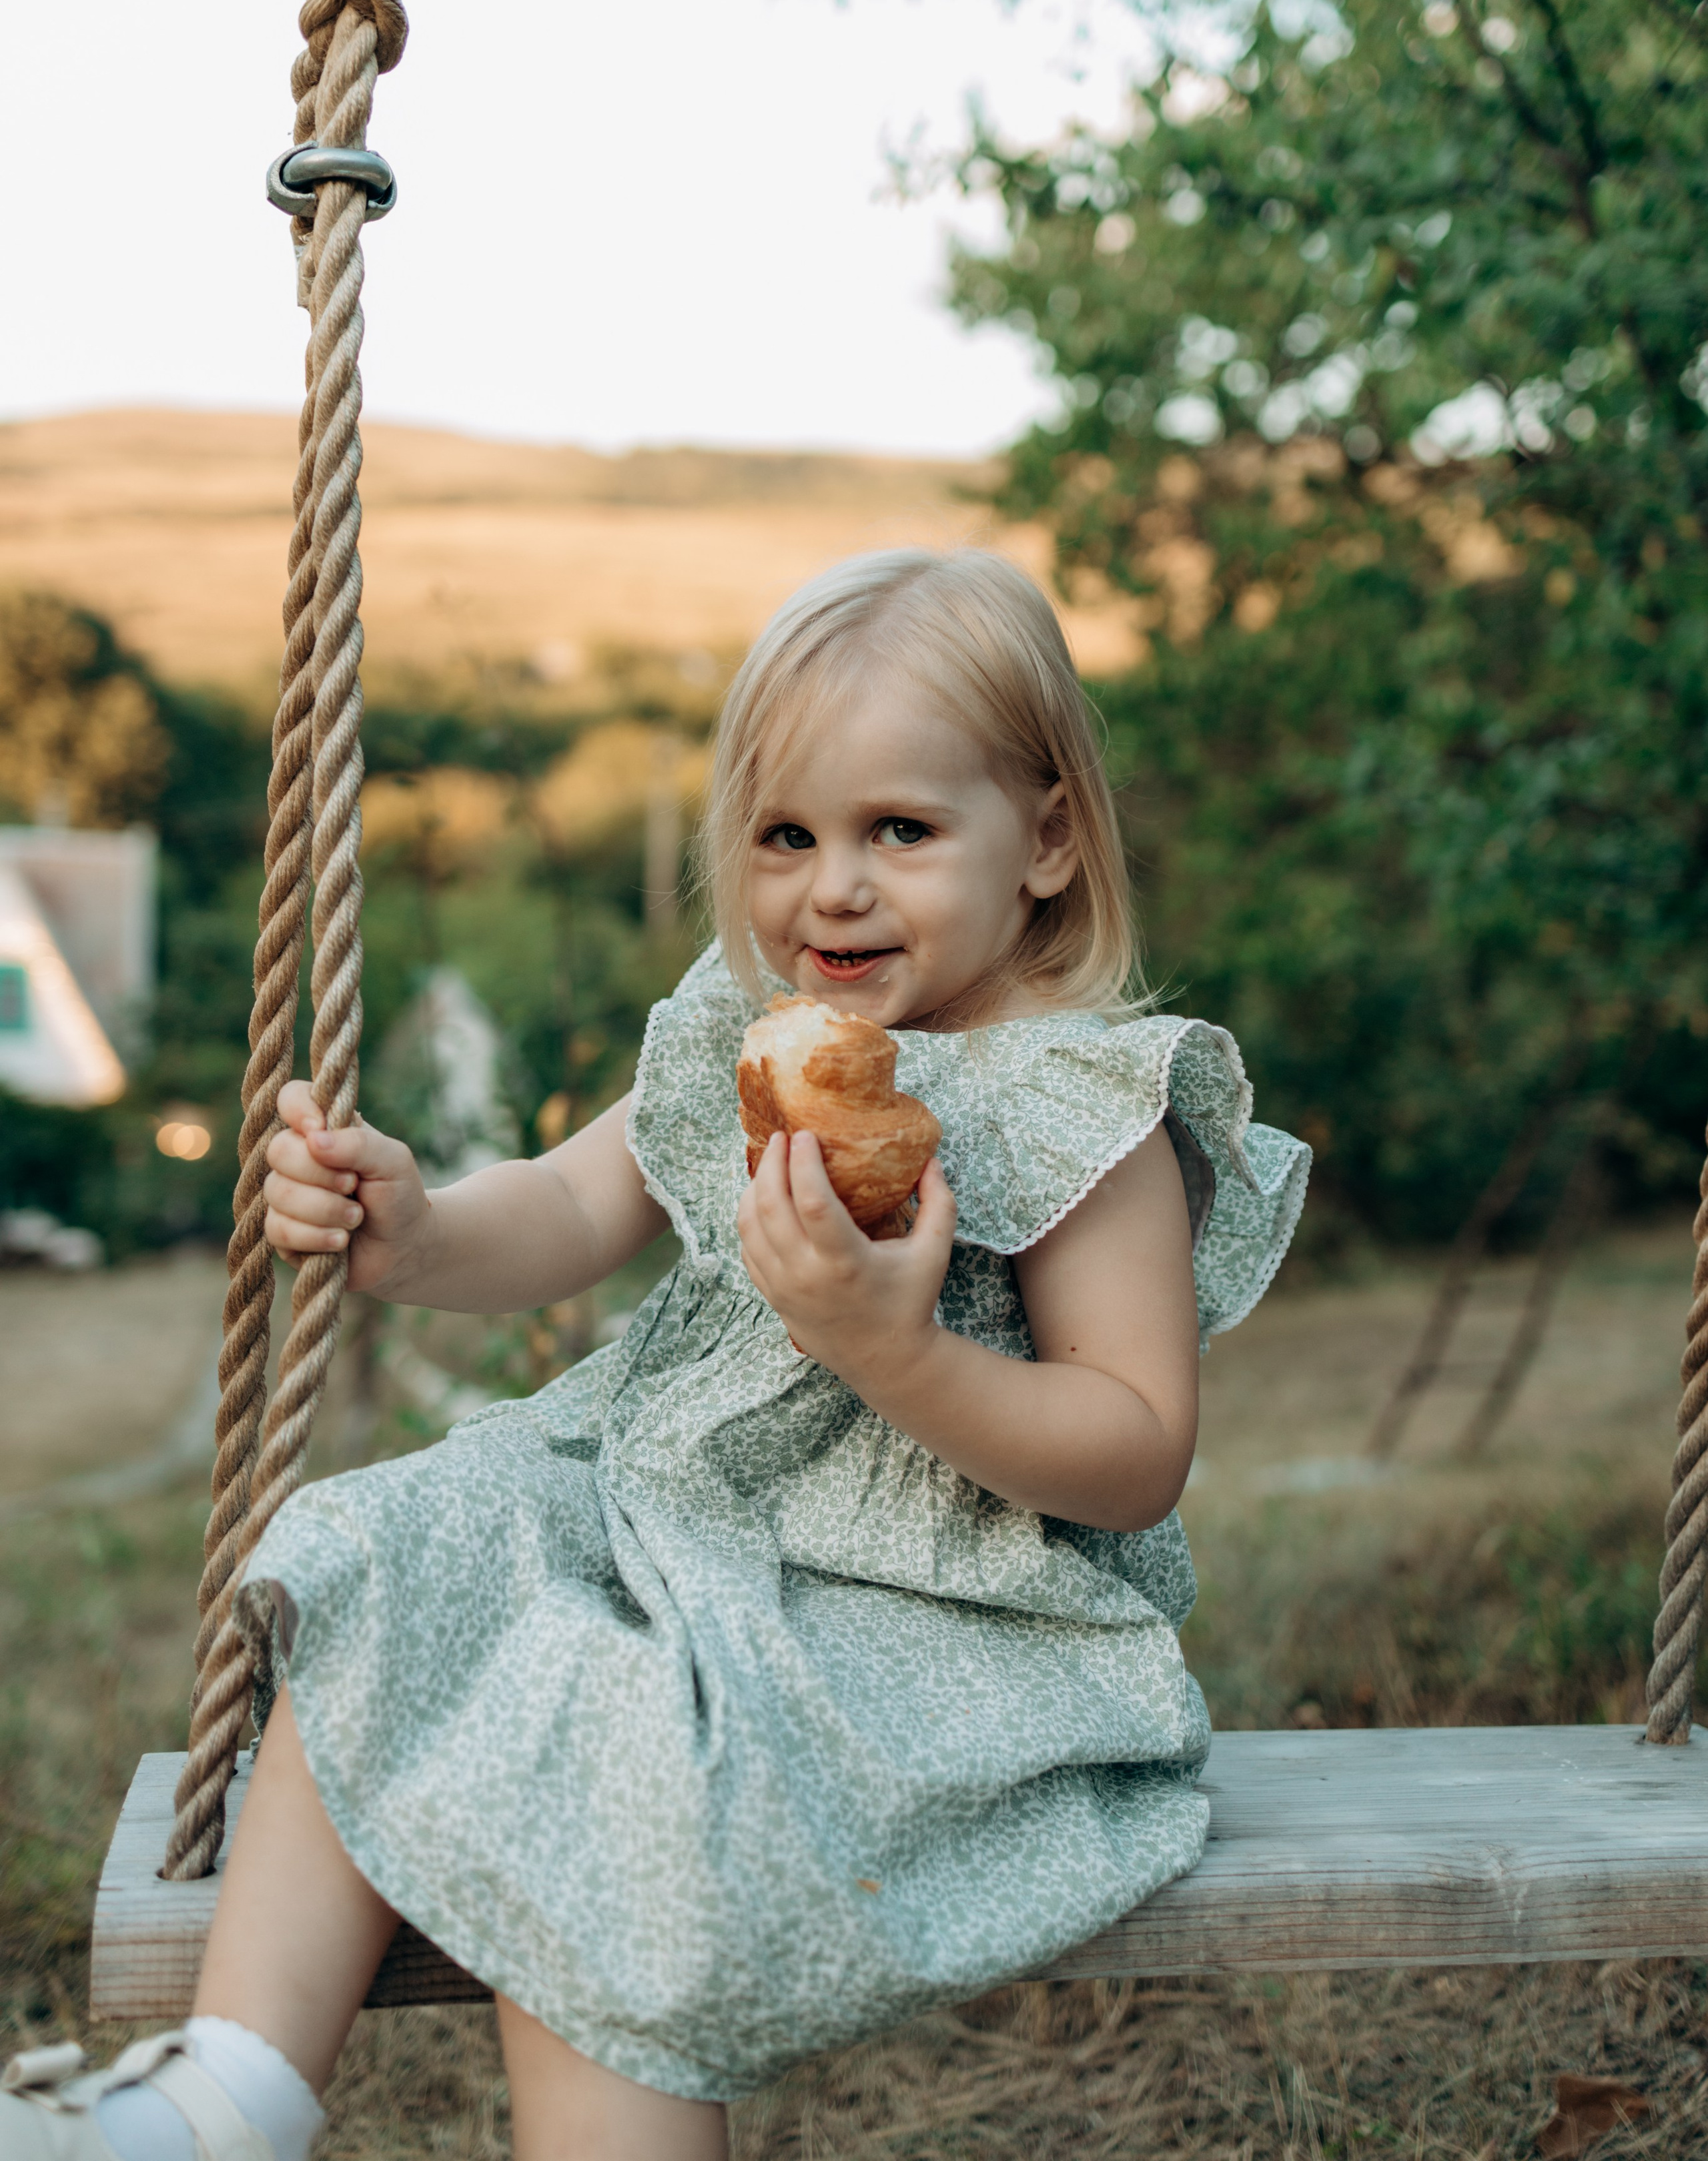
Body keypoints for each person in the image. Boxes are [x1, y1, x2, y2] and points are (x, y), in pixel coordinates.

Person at [4, 548, 1308, 2161]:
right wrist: (413, 1234)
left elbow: (1131, 1449)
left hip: (934, 1620)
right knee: (406, 1540)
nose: (829, 888)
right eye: (784, 836)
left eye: (897, 830)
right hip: (680, 1530)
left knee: (609, 1746)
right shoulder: (740, 1034)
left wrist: (890, 1353)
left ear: (1044, 838)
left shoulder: (1080, 1112)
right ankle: (231, 2096)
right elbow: (566, 1202)